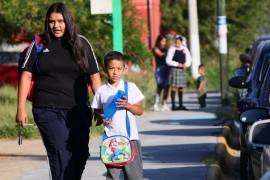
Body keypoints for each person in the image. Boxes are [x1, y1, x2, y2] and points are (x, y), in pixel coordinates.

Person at [16, 2, 101, 180]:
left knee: (80, 154)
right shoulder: (39, 43)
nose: (56, 26)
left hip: (78, 111)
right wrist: (21, 108)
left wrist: (101, 107)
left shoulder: (82, 43)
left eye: (60, 21)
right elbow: (26, 75)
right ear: (47, 23)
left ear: (68, 21)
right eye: (51, 21)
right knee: (60, 152)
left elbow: (94, 77)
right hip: (47, 109)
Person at [91, 51, 144, 180]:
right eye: (111, 68)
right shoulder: (101, 91)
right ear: (105, 69)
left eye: (119, 68)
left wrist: (128, 105)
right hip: (110, 141)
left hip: (130, 139)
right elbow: (96, 112)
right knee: (114, 176)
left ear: (124, 69)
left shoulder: (130, 87)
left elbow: (140, 110)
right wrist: (101, 117)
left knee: (134, 176)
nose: (115, 72)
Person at [166, 35, 192, 110]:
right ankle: (173, 105)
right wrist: (177, 64)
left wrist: (186, 64)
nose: (177, 43)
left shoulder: (185, 49)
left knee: (181, 87)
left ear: (181, 42)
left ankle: (181, 104)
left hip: (182, 70)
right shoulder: (172, 49)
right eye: (176, 42)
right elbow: (168, 60)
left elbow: (189, 59)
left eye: (179, 42)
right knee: (174, 87)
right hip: (175, 69)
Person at [152, 35, 170, 111]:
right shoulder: (155, 48)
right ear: (159, 41)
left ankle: (164, 103)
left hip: (167, 68)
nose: (164, 43)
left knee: (167, 86)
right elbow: (160, 54)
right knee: (160, 86)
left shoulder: (166, 49)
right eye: (162, 41)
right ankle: (156, 104)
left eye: (165, 41)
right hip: (159, 69)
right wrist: (170, 52)